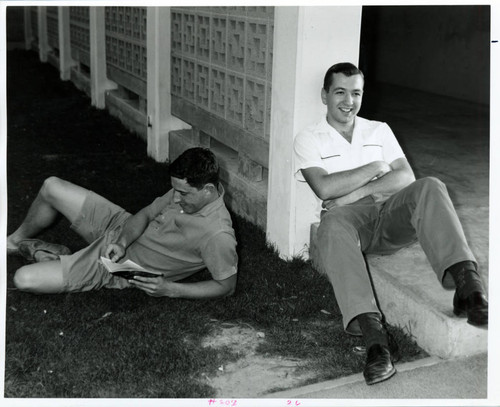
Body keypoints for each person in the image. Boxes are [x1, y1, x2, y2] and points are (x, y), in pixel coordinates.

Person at [294, 62, 488, 385]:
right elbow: (324, 189)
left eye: (356, 93)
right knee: (331, 225)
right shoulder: (308, 138)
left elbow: (406, 177)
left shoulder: (378, 129)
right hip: (347, 222)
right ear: (324, 95)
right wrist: (376, 167)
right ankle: (376, 343)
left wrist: (356, 189)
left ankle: (470, 289)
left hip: (388, 214)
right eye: (340, 92)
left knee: (430, 186)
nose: (348, 101)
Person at [7, 147, 238, 299]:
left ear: (208, 190)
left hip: (121, 266)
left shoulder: (217, 235)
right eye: (175, 190)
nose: (175, 197)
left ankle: (53, 257)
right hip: (122, 228)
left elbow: (227, 286)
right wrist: (122, 240)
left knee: (24, 279)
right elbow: (146, 214)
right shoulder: (188, 191)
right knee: (52, 186)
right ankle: (15, 242)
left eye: (183, 193)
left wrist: (170, 289)